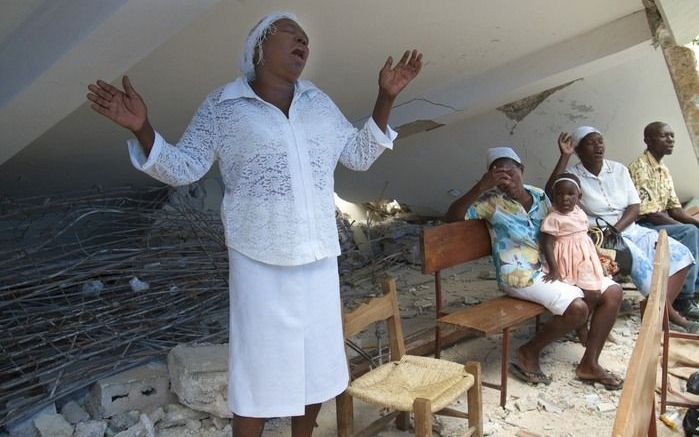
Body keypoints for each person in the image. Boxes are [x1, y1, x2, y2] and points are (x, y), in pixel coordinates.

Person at [87, 12, 422, 437]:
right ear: (259, 46)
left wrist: (385, 97)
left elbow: (356, 154)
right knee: (259, 370)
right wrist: (143, 128)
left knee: (316, 363)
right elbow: (186, 165)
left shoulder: (317, 102)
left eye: (306, 39)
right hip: (258, 258)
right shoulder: (224, 107)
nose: (303, 43)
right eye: (291, 35)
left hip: (317, 254)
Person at [446, 147, 623, 390]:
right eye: (498, 175)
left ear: (522, 169)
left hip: (554, 266)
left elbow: (563, 224)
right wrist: (481, 187)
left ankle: (589, 363)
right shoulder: (490, 202)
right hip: (520, 275)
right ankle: (529, 352)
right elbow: (451, 217)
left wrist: (591, 257)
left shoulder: (539, 195)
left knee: (612, 292)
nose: (506, 179)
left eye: (510, 172)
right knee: (578, 307)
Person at [546, 127, 698, 333]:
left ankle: (660, 307)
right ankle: (668, 315)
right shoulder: (573, 174)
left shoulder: (619, 169)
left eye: (600, 141)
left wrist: (616, 229)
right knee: (641, 262)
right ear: (578, 150)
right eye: (590, 143)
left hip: (628, 228)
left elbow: (634, 207)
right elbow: (551, 191)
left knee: (683, 256)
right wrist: (564, 156)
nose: (598, 146)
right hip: (600, 234)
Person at [628, 121, 699, 321]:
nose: (670, 140)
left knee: (694, 230)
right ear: (648, 140)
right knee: (690, 233)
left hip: (660, 221)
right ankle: (684, 299)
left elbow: (675, 209)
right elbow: (651, 214)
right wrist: (688, 228)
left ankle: (693, 291)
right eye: (664, 136)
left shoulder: (663, 169)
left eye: (672, 136)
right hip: (643, 226)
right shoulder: (640, 167)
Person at [541, 172, 608, 345]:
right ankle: (580, 325)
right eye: (560, 194)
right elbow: (547, 244)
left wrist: (598, 255)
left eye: (570, 194)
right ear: (553, 196)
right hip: (565, 260)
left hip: (584, 258)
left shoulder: (579, 212)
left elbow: (585, 237)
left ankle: (582, 323)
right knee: (584, 293)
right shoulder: (553, 218)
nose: (565, 199)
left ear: (579, 196)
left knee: (594, 293)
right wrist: (554, 269)